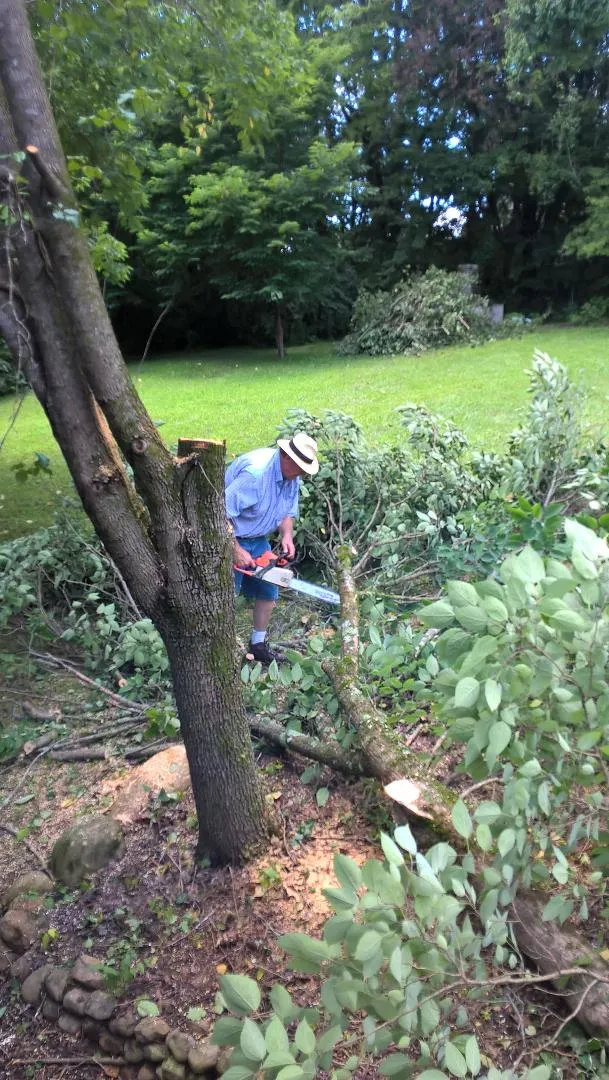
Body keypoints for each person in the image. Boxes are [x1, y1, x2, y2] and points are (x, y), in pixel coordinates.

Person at [225, 432, 320, 664]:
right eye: (299, 468)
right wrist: (234, 548)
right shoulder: (254, 477)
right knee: (225, 596)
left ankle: (258, 644)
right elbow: (217, 513)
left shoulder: (291, 476)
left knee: (269, 588)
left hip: (258, 538)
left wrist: (287, 535)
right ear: (286, 456)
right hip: (227, 534)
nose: (301, 475)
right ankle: (222, 651)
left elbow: (287, 511)